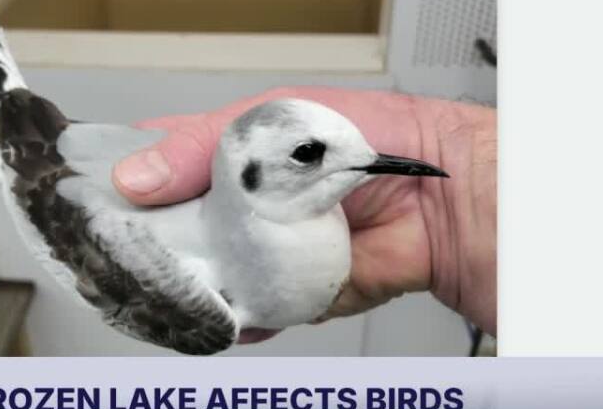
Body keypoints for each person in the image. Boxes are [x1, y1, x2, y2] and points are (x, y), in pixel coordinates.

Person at [111, 87, 497, 340]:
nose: (369, 161)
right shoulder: (207, 293)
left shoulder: (325, 211)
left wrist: (454, 215)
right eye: (308, 155)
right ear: (249, 175)